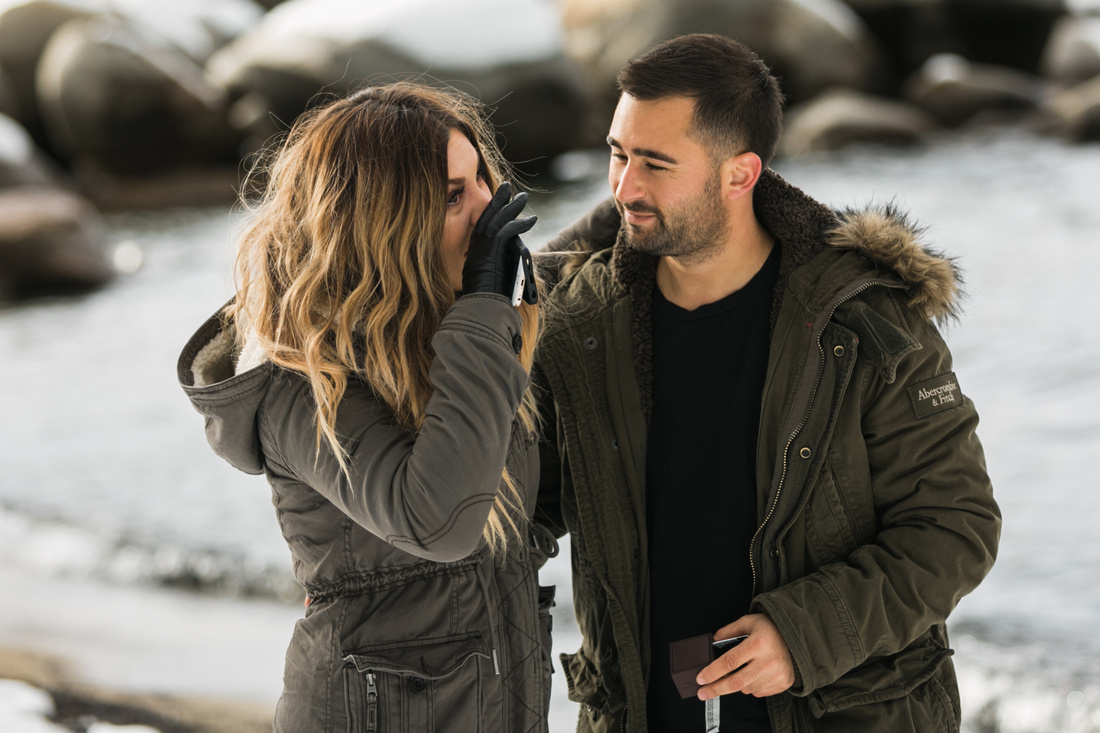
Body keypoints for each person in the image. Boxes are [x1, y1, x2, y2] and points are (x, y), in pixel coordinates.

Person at [534, 34, 1001, 732]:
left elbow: (954, 527)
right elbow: (515, 511)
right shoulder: (577, 325)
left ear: (740, 174)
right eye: (618, 153)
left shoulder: (865, 324)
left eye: (656, 163)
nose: (625, 186)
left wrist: (804, 633)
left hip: (846, 715)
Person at [177, 82, 556, 733]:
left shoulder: (444, 336)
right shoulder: (299, 383)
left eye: (481, 182)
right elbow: (438, 522)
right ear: (381, 222)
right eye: (451, 196)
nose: (488, 213)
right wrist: (487, 301)